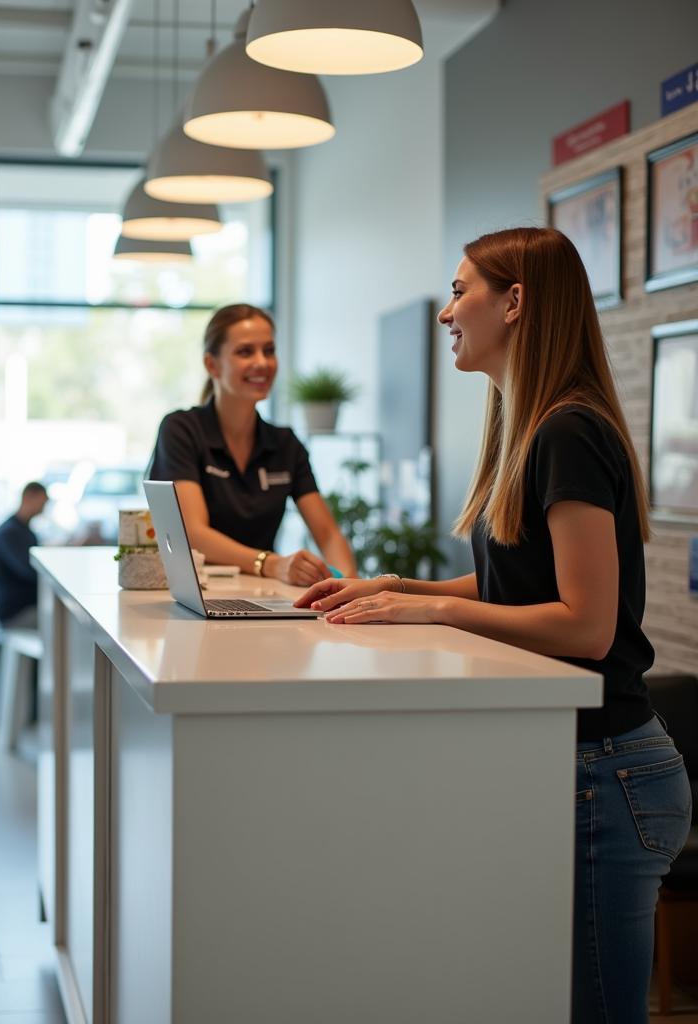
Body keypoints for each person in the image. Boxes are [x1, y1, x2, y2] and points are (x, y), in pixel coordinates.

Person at [296, 227, 692, 1023]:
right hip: (577, 762)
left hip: (608, 770)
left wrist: (435, 609)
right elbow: (520, 583)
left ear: (514, 303)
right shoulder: (532, 427)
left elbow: (586, 626)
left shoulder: (568, 430)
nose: (446, 313)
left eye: (458, 290)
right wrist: (399, 586)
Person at [147, 303, 356, 585]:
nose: (262, 362)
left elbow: (328, 535)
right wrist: (271, 564)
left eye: (269, 350)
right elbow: (193, 532)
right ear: (212, 365)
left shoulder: (285, 444)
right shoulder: (181, 430)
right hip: (200, 593)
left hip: (263, 595)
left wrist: (349, 586)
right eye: (246, 352)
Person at [0, 481, 48, 628]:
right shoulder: (9, 534)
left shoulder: (21, 530)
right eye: (42, 502)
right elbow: (31, 572)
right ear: (29, 497)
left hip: (25, 606)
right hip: (16, 613)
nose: (43, 508)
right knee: (65, 622)